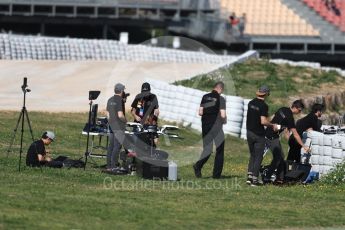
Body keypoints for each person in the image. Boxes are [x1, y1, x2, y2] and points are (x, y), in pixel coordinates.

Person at [264, 100, 311, 184]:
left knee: (281, 157)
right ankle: (267, 177)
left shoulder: (282, 109)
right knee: (278, 158)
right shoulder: (290, 118)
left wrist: (288, 138)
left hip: (268, 133)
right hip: (271, 136)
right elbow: (296, 134)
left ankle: (280, 178)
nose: (299, 112)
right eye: (299, 110)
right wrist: (303, 146)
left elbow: (273, 119)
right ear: (295, 108)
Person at [193, 81, 226, 179]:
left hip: (205, 126)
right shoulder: (221, 99)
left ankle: (198, 166)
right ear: (220, 89)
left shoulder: (205, 96)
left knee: (207, 149)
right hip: (216, 127)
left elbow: (200, 112)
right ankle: (216, 175)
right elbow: (223, 115)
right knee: (220, 150)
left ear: (214, 87)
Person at [246, 85, 278, 186]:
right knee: (259, 156)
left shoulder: (251, 103)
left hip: (249, 132)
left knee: (253, 155)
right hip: (258, 134)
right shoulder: (264, 106)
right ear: (267, 94)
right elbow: (263, 121)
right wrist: (272, 124)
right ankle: (254, 180)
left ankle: (249, 177)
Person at [106, 83, 127, 171]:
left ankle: (109, 166)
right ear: (121, 91)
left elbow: (107, 114)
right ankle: (114, 166)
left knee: (111, 146)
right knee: (117, 146)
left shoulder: (110, 99)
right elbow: (120, 115)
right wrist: (126, 121)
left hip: (111, 125)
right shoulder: (119, 100)